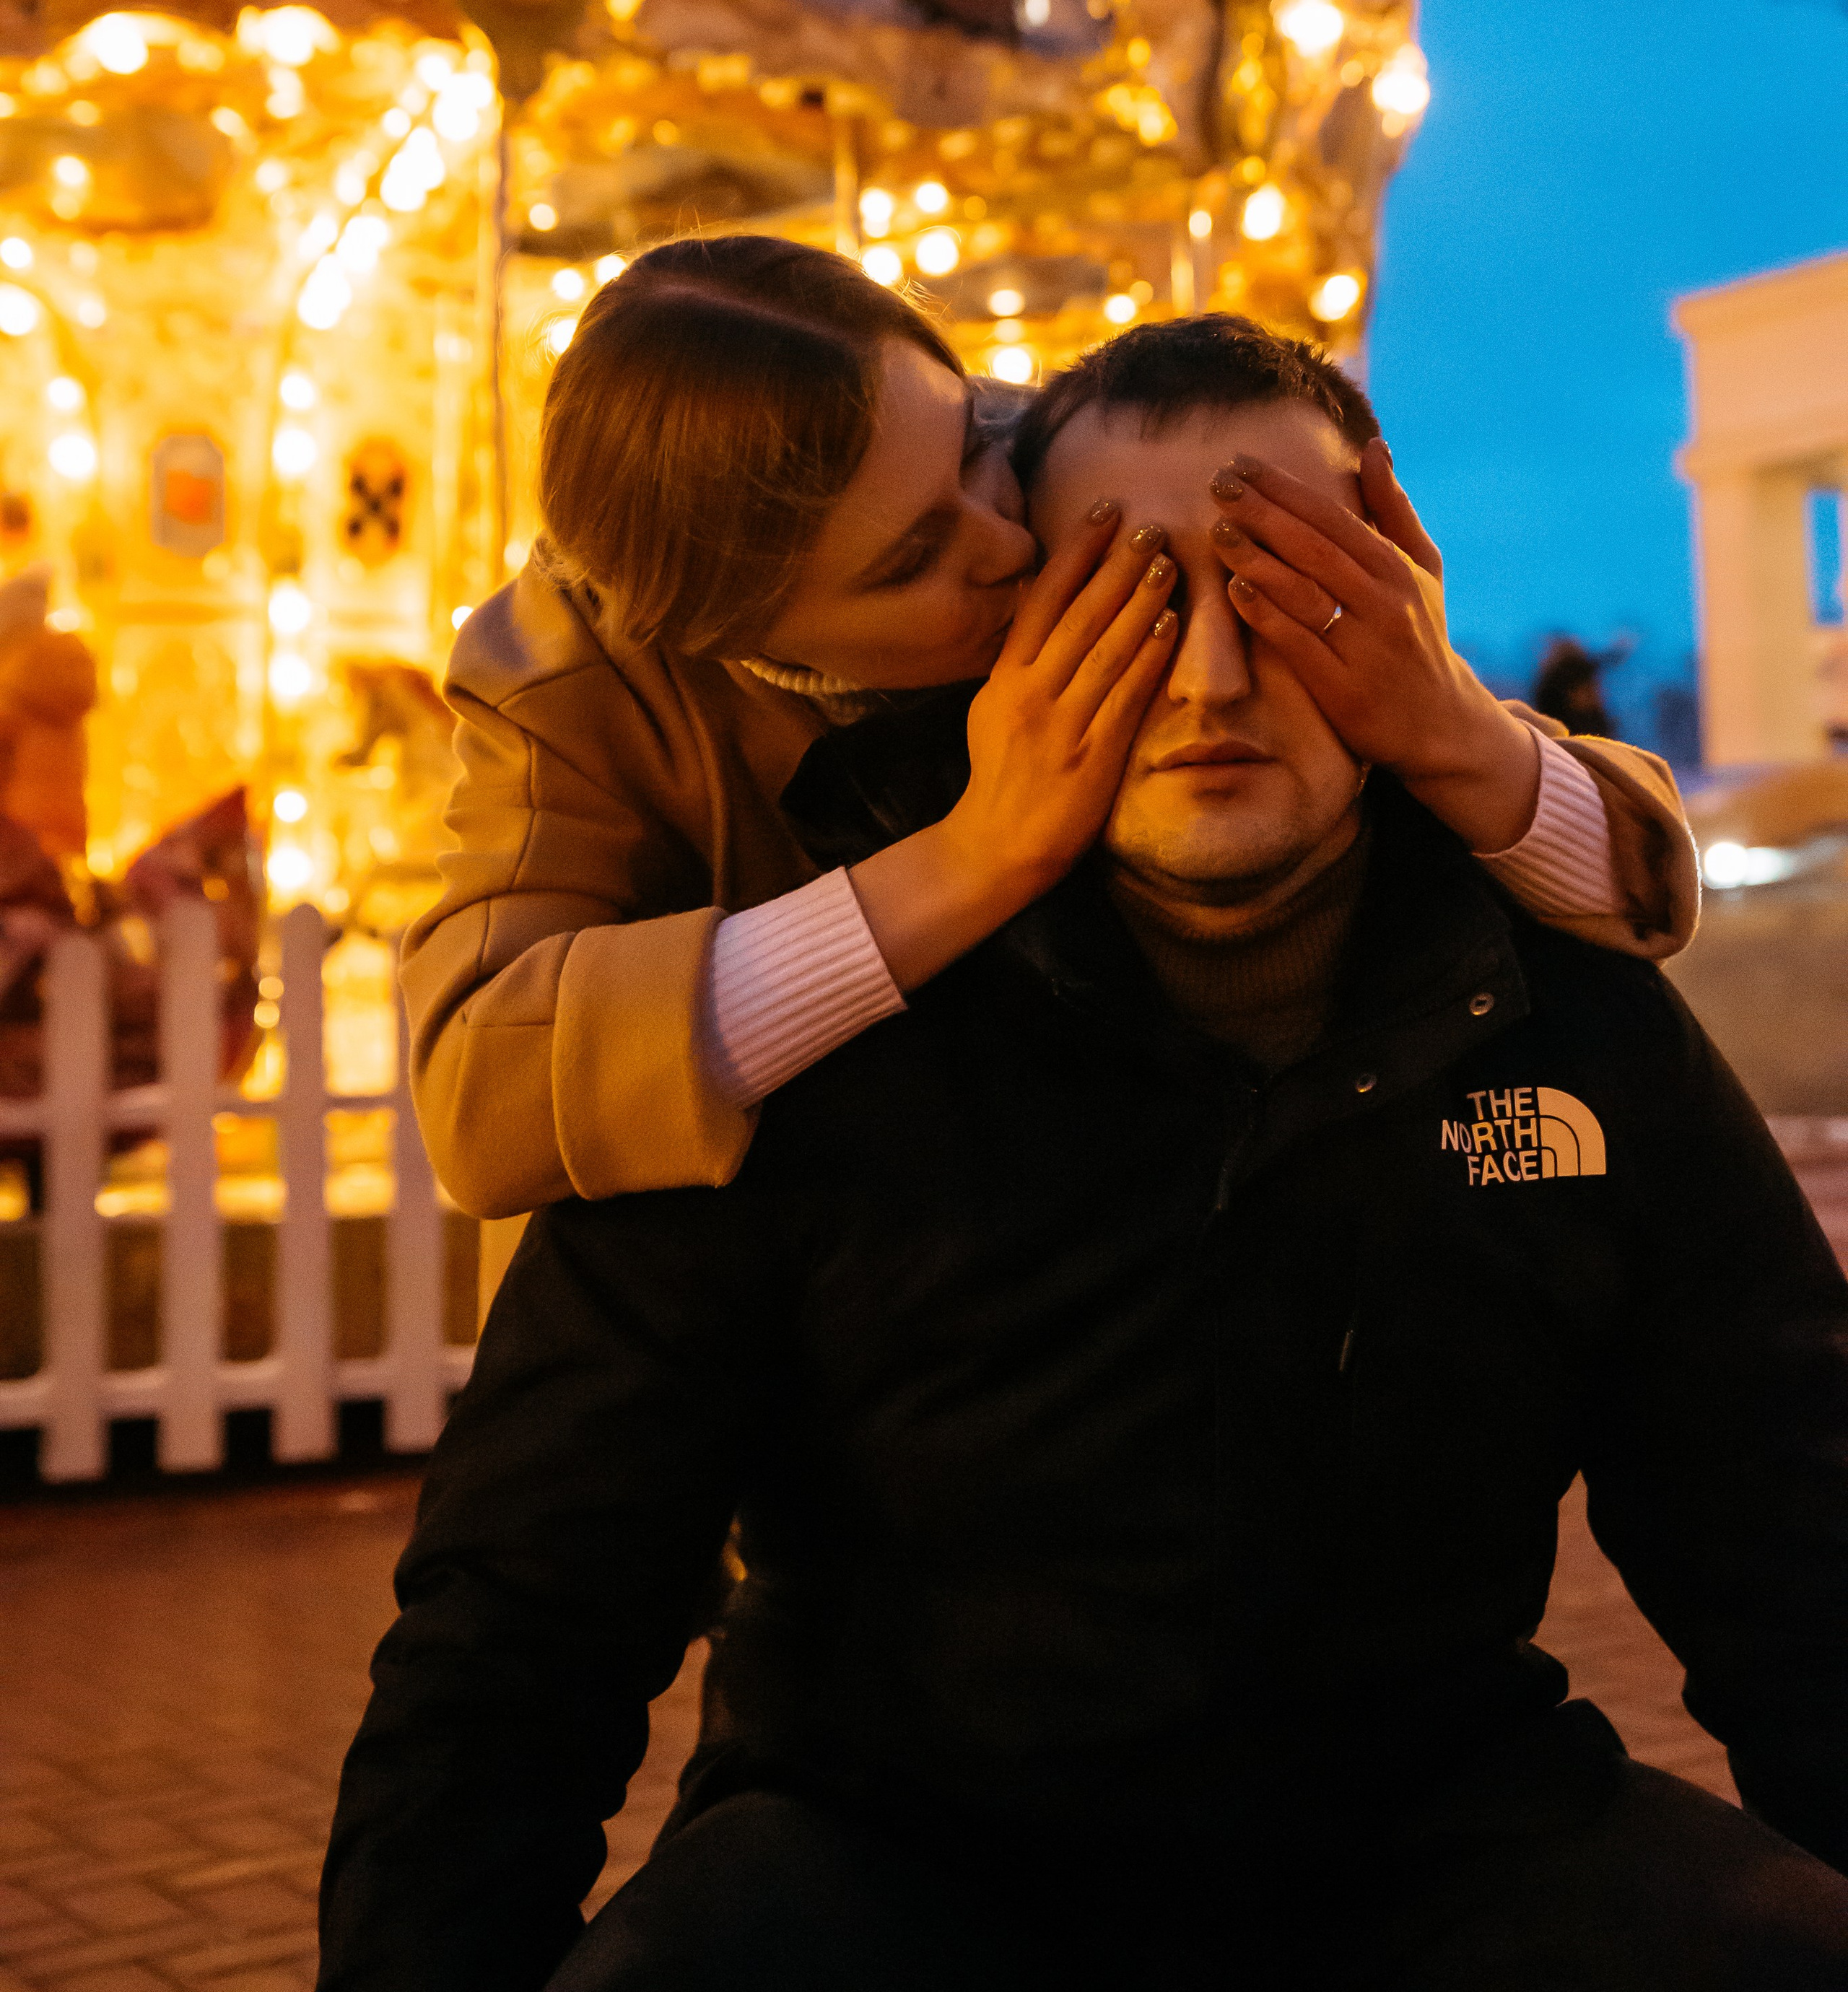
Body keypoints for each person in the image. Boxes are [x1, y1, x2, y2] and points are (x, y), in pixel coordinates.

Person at [319, 318, 1848, 1992]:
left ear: (1399, 606)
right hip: (884, 1858)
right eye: (1113, 606)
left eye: (1281, 590)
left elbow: (1788, 1524)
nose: (1202, 679)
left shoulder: (1554, 1024)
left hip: (1441, 1836)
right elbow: (527, 1617)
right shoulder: (791, 1040)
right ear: (997, 645)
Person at [401, 237, 1695, 1289]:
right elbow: (484, 1089)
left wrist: (1455, 726)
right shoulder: (579, 669)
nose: (1009, 549)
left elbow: (1645, 891)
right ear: (731, 636)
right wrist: (977, 857)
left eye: (971, 446)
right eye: (911, 560)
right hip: (807, 1299)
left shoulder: (1064, 472)